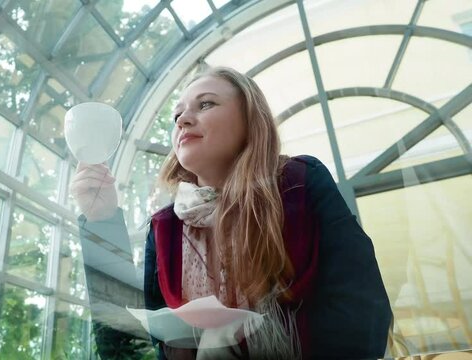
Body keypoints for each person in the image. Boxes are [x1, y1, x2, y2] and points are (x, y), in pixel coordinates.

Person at [71, 67, 392, 359]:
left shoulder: (301, 182)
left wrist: (250, 342)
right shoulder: (165, 229)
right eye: (177, 115)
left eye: (206, 104)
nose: (182, 120)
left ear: (250, 119)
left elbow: (367, 320)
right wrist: (101, 221)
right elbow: (127, 350)